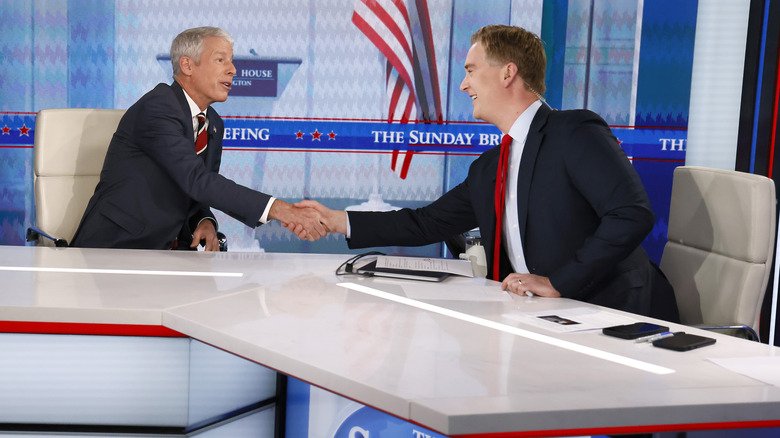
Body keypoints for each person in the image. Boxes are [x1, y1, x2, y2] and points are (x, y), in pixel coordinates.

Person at [296, 25, 679, 321]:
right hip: (538, 318)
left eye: (471, 70)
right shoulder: (490, 166)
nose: (463, 84)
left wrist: (559, 282)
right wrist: (336, 220)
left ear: (508, 73)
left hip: (610, 313)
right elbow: (425, 223)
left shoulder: (573, 131)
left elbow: (631, 214)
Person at [71, 27, 325, 251]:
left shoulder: (212, 123)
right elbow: (197, 180)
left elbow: (197, 192)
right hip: (114, 248)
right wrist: (280, 209)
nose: (233, 69)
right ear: (187, 65)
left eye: (232, 61)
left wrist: (203, 219)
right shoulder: (158, 107)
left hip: (168, 253)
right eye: (220, 59)